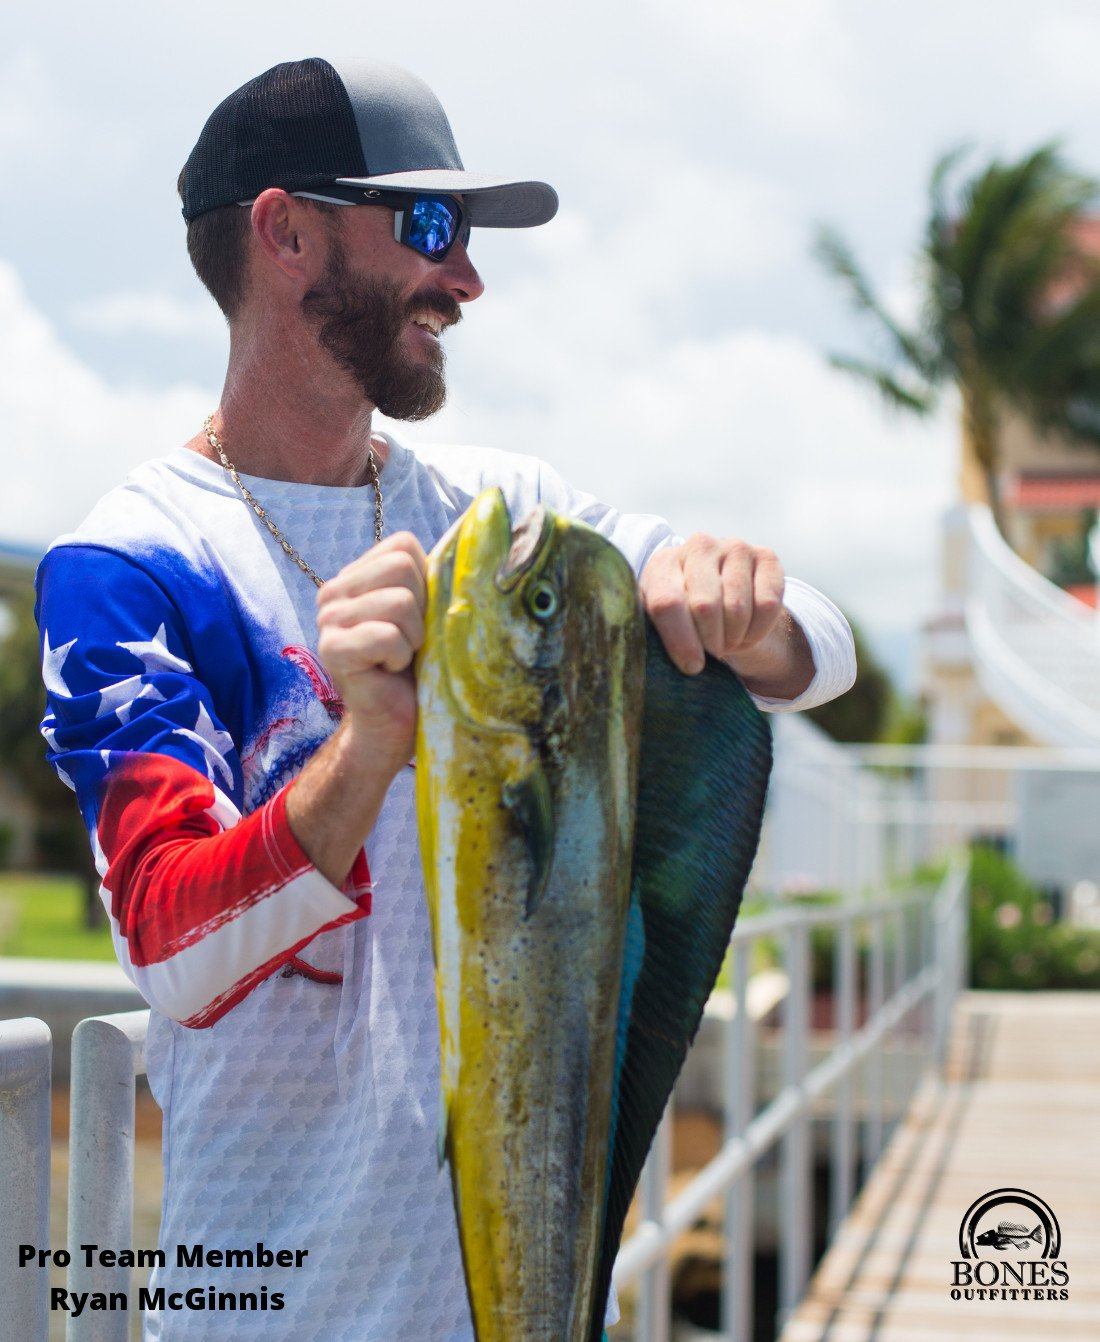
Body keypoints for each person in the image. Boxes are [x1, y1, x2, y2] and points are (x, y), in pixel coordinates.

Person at [35, 57, 857, 1341]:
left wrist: (743, 605)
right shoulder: (134, 562)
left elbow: (823, 645)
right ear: (285, 227)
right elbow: (175, 952)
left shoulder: (502, 522)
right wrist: (364, 749)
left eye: (466, 237)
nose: (465, 277)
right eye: (429, 227)